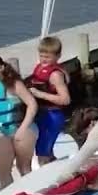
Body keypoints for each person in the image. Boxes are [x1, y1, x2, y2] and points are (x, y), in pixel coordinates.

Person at [0, 52, 39, 188]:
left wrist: (22, 129)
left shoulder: (14, 84)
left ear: (0, 68)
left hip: (23, 129)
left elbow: (32, 104)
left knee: (23, 168)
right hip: (6, 132)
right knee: (2, 169)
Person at [27, 36, 72, 164]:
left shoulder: (55, 75)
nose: (44, 60)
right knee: (44, 149)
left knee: (43, 151)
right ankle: (54, 167)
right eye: (41, 56)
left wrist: (40, 94)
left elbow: (65, 99)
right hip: (41, 114)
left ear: (57, 56)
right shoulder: (39, 68)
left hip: (52, 116)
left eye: (48, 57)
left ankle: (45, 179)